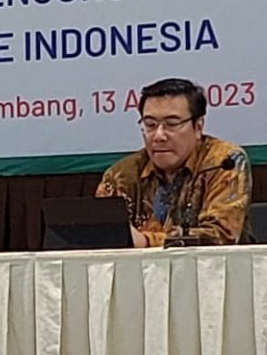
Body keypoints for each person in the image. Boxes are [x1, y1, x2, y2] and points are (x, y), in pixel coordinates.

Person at [95, 78, 252, 248]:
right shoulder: (120, 176)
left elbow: (220, 235)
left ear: (198, 127)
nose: (159, 136)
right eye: (150, 125)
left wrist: (145, 241)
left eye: (172, 124)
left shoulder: (224, 162)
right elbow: (100, 235)